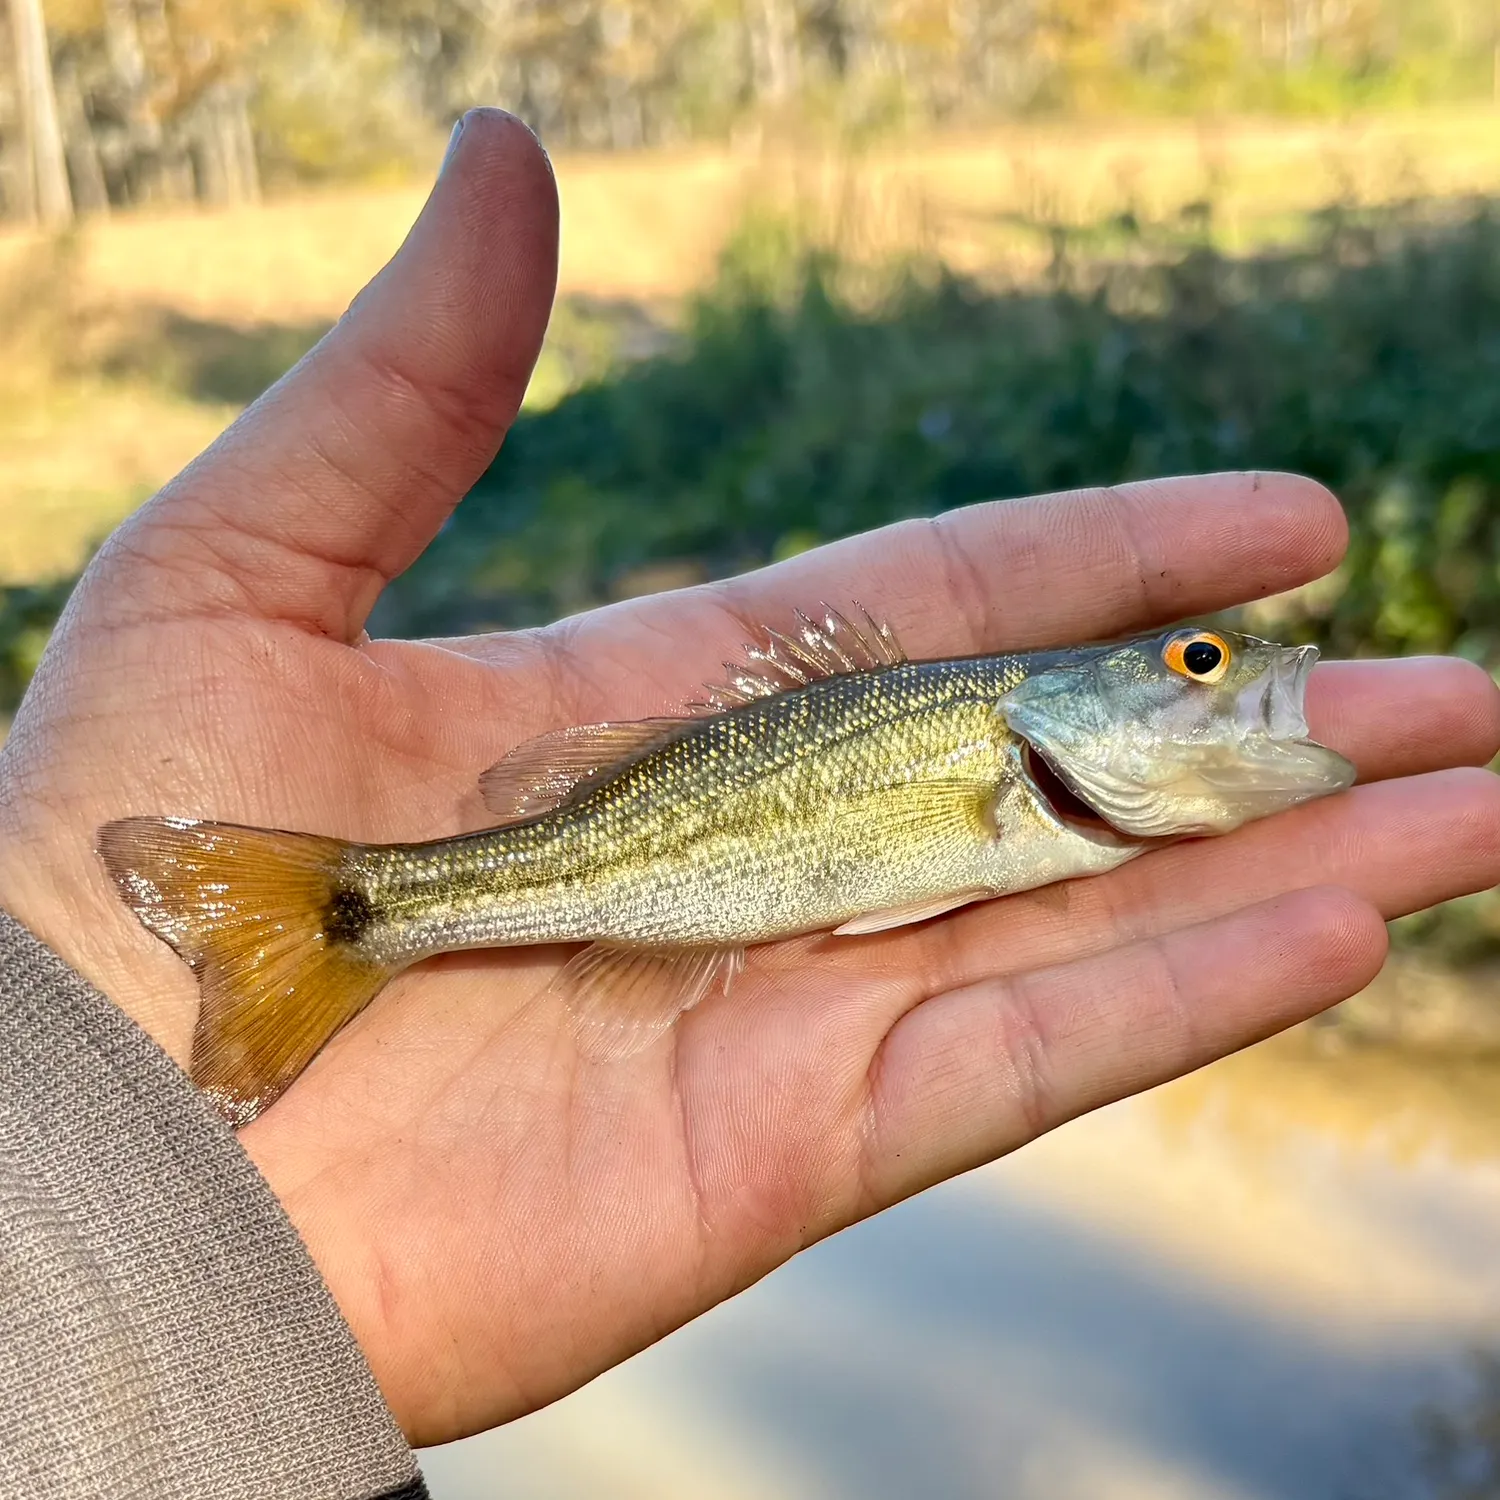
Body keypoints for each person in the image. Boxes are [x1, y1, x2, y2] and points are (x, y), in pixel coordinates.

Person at [0, 108, 1496, 1500]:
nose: (1218, 680)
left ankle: (365, 922)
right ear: (1071, 704)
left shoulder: (1028, 762)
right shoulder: (991, 737)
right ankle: (366, 912)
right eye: (1193, 659)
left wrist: (105, 1218)